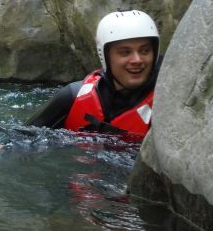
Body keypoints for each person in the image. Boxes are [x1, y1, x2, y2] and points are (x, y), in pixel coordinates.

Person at [25, 9, 161, 141]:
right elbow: (19, 138)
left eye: (145, 51)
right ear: (106, 57)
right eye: (125, 52)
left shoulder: (164, 101)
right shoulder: (72, 95)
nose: (137, 60)